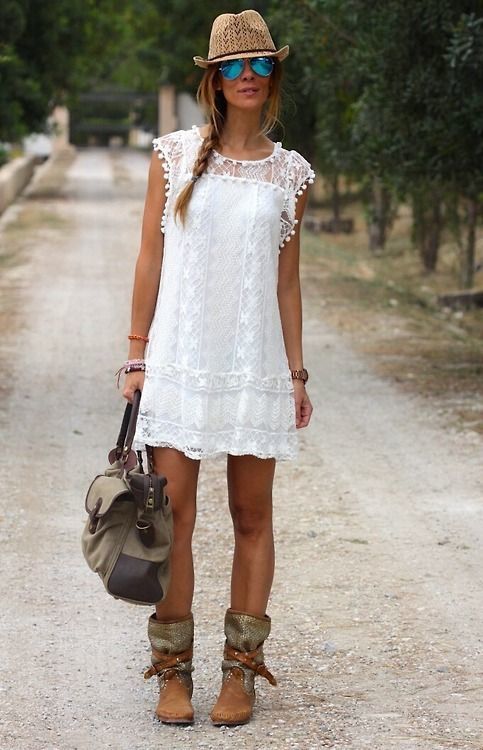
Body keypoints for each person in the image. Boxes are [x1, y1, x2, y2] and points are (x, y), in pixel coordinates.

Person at [121, 9, 314, 727]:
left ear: (274, 76)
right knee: (170, 516)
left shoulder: (290, 173)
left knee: (252, 516)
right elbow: (149, 254)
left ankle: (241, 674)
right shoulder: (172, 156)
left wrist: (295, 374)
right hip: (178, 359)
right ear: (213, 77)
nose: (247, 78)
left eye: (260, 65)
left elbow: (286, 283)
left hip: (253, 365)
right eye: (233, 66)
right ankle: (173, 672)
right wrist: (136, 351)